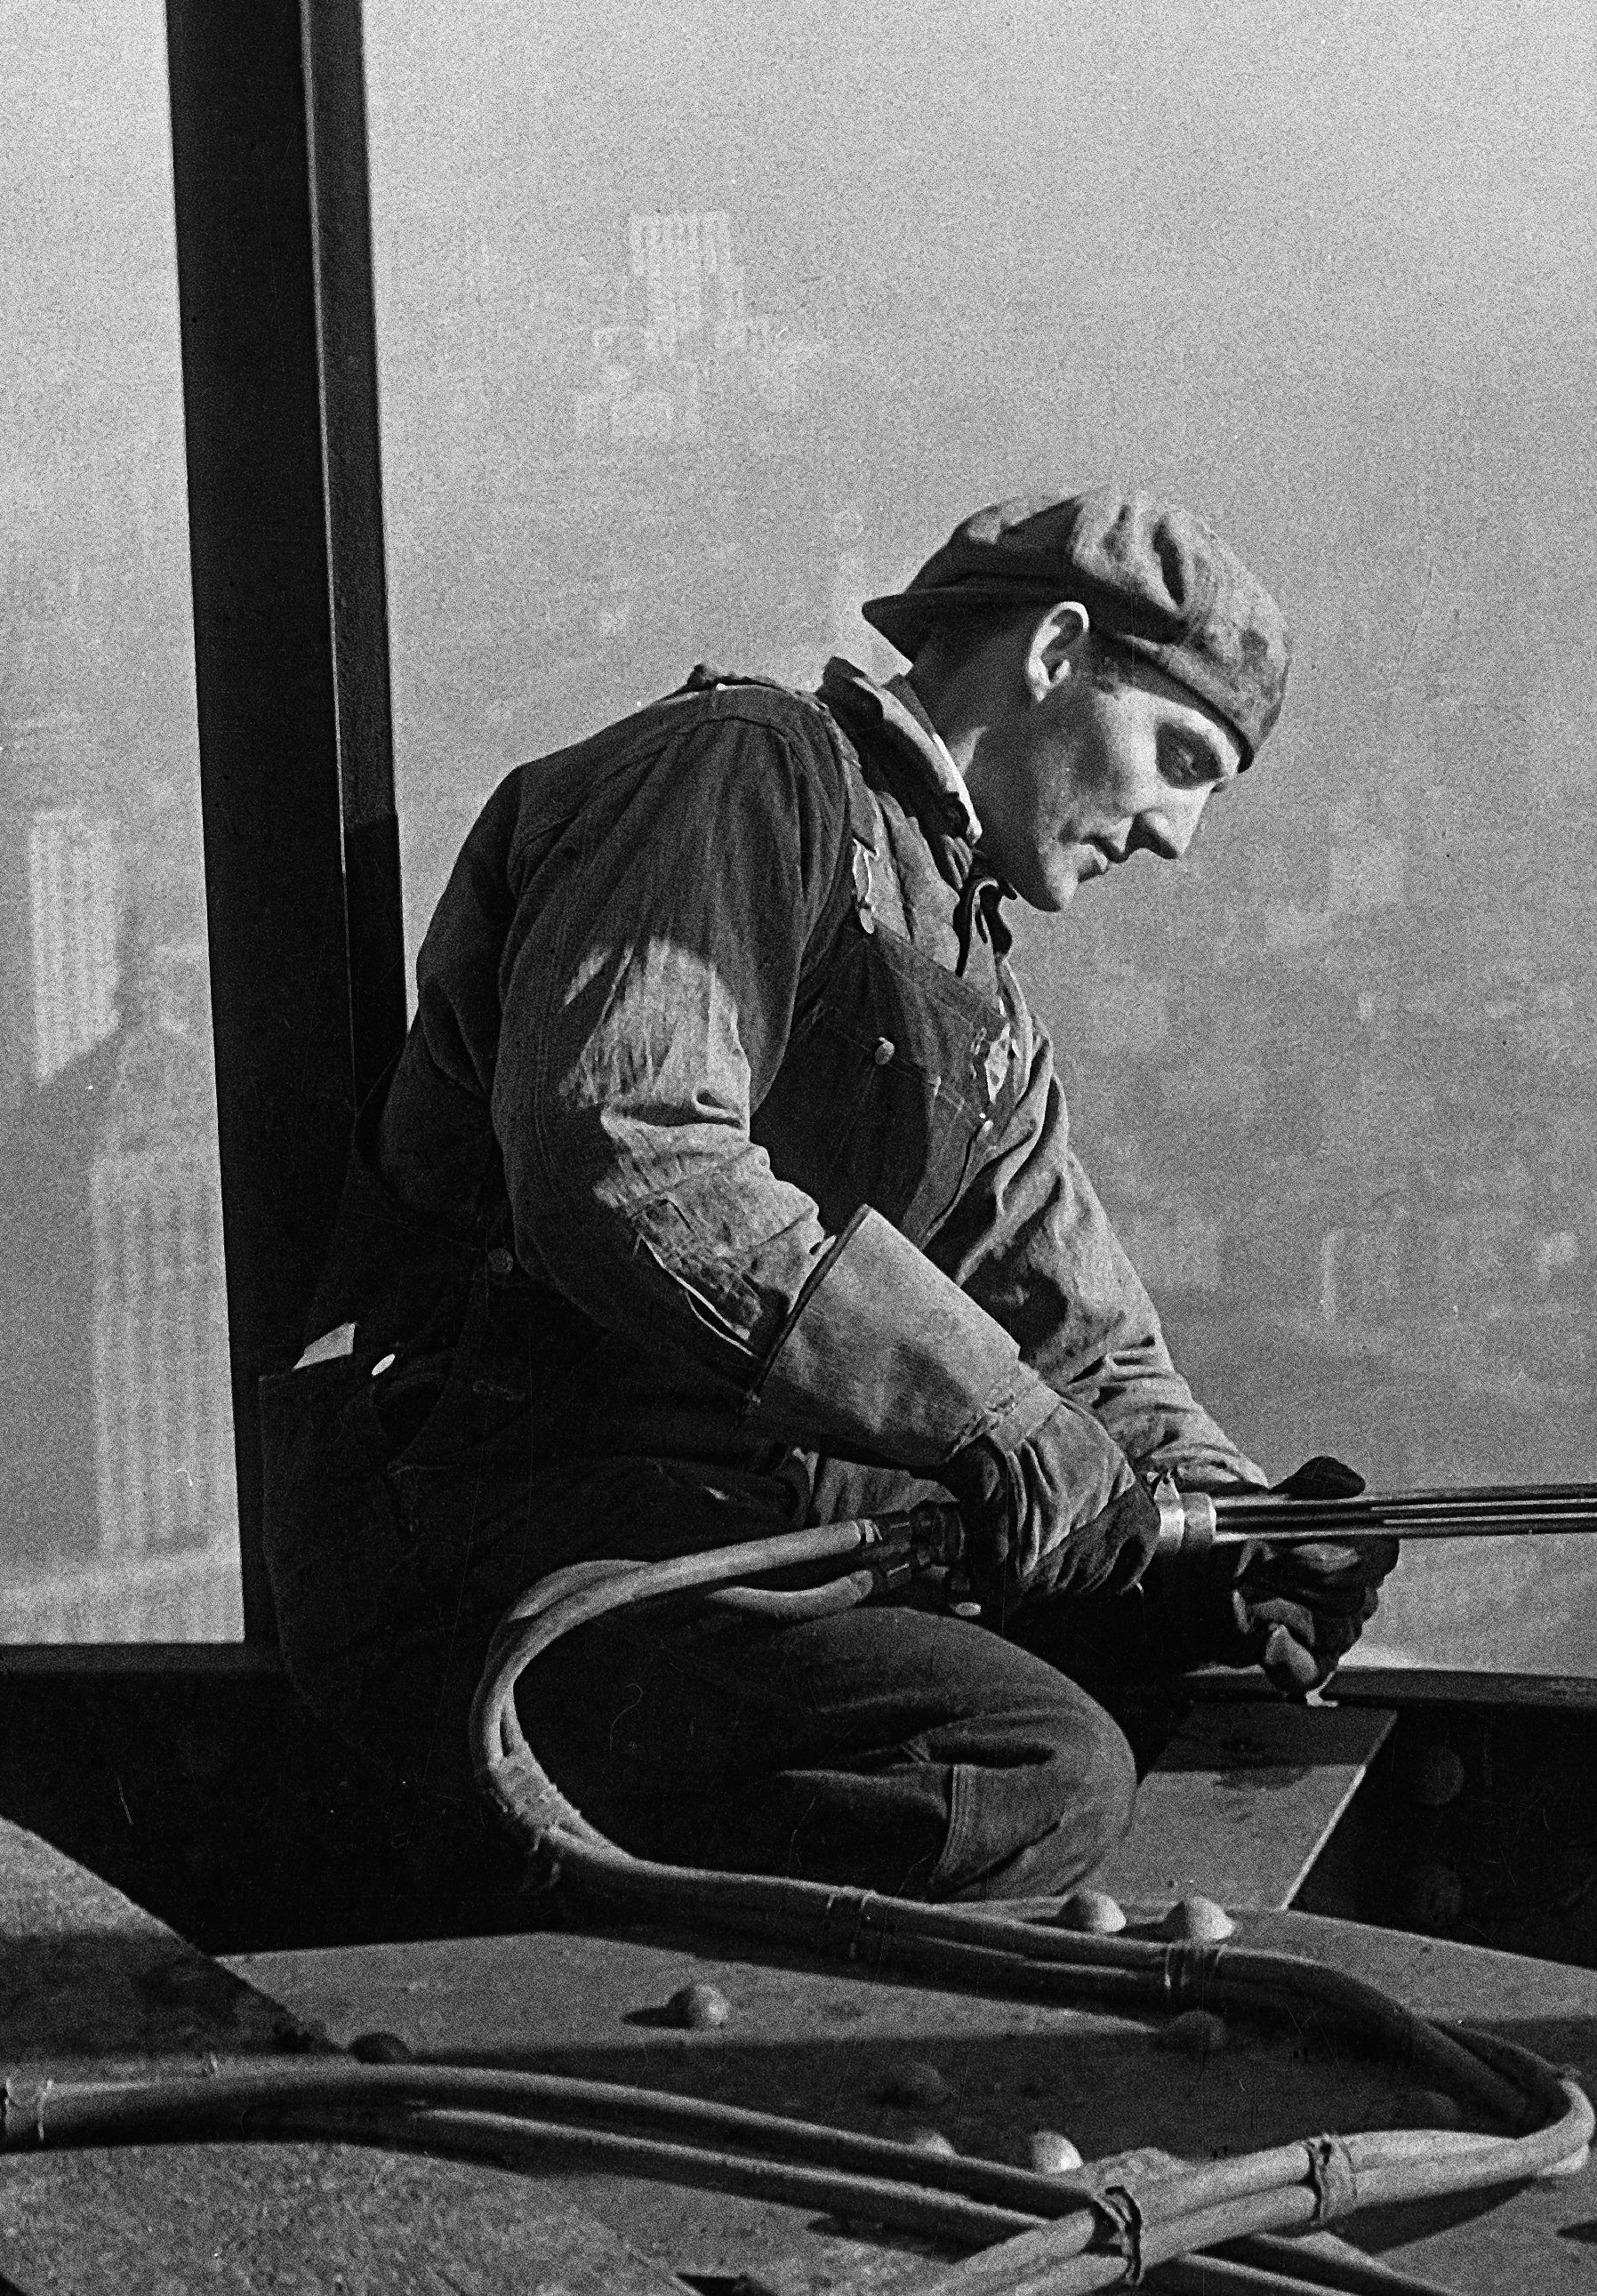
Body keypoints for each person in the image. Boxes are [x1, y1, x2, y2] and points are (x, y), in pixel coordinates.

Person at [260, 486, 1396, 1904]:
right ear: (1052, 654)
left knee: (1143, 1647)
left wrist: (1234, 1532)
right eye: (1177, 756)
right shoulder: (741, 777)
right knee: (1025, 1767)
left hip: (680, 1508)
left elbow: (1078, 1345)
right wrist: (992, 1419)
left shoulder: (969, 983)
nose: (1177, 834)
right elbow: (621, 1151)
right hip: (475, 1511)